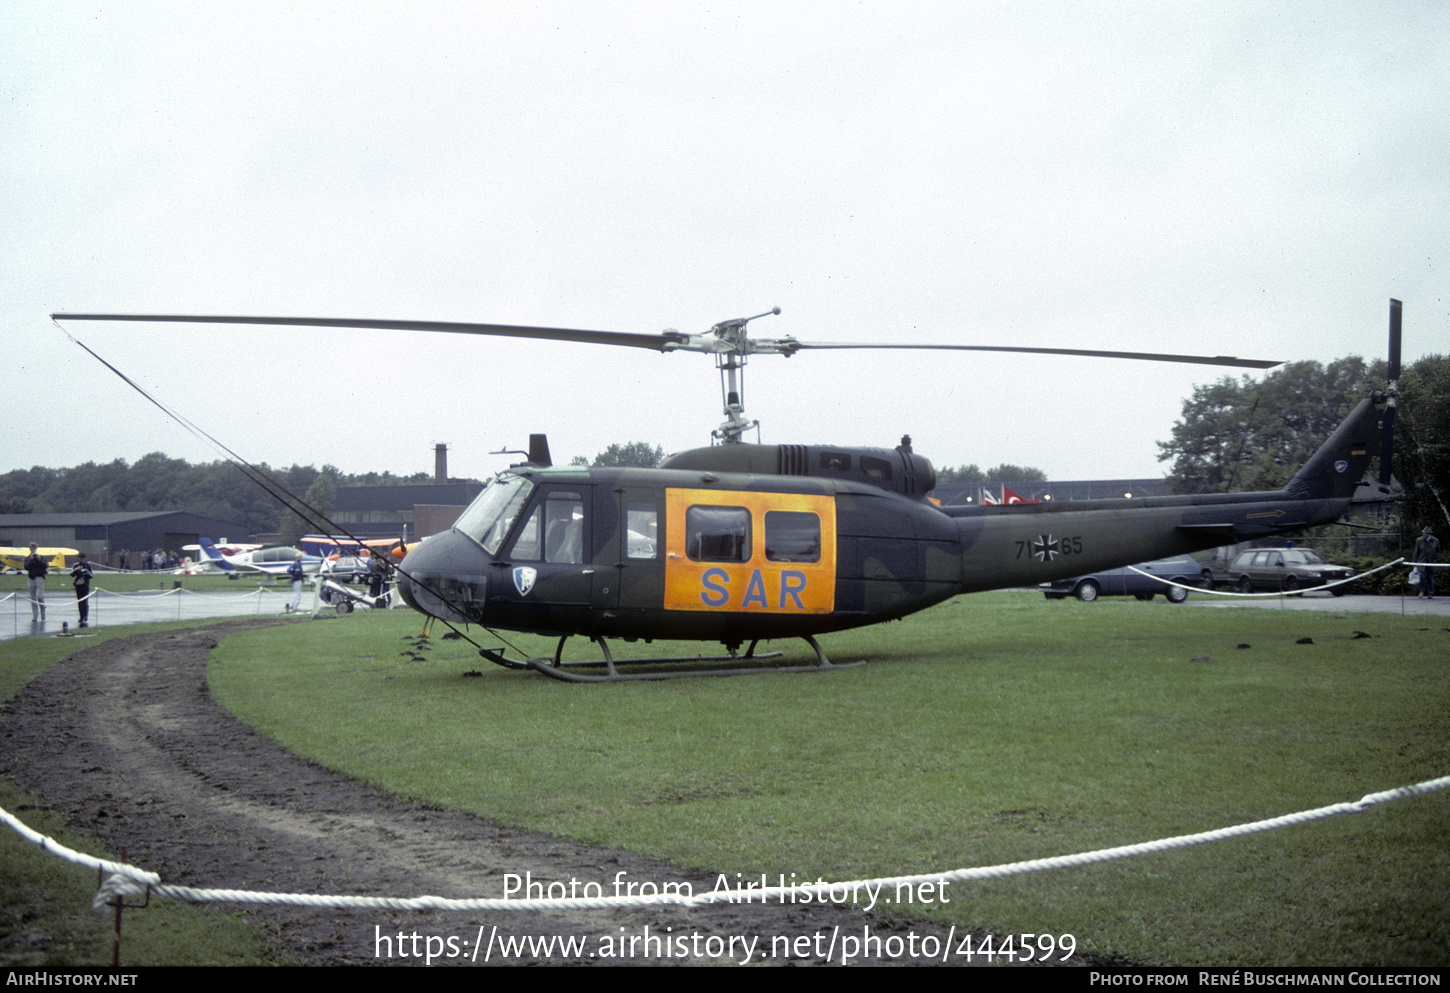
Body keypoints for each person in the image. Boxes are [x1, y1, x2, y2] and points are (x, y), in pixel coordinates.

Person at [1413, 526, 1440, 599]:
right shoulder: (1419, 540)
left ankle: (1430, 593)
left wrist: (1436, 560)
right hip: (1421, 562)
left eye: (1426, 533)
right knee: (1421, 577)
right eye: (1424, 533)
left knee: (1430, 578)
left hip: (1431, 562)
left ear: (1429, 534)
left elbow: (1437, 552)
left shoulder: (1435, 541)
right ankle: (1422, 591)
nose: (1424, 534)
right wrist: (1414, 562)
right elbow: (1416, 552)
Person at [23, 543, 47, 623]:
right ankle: (35, 616)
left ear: (36, 548)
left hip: (39, 578)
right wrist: (31, 559)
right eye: (31, 548)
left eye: (34, 548)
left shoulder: (41, 557)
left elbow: (46, 565)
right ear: (30, 549)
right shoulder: (27, 558)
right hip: (31, 578)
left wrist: (39, 559)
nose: (33, 549)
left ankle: (43, 614)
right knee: (33, 599)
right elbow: (26, 567)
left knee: (40, 597)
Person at [70, 552, 94, 627]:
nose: (80, 560)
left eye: (82, 558)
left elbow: (91, 575)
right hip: (78, 586)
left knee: (85, 602)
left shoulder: (88, 565)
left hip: (85, 586)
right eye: (79, 558)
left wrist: (87, 572)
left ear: (84, 559)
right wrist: (76, 570)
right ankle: (81, 616)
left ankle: (85, 616)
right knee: (80, 602)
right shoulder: (75, 565)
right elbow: (71, 574)